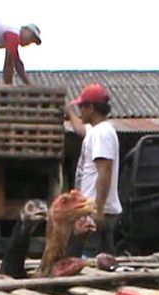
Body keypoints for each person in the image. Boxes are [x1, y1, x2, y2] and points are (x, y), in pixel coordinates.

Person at [63, 83, 122, 257]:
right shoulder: (97, 131)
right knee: (105, 258)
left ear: (91, 108)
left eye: (82, 107)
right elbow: (80, 129)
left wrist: (98, 210)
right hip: (96, 209)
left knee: (88, 259)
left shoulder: (102, 134)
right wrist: (69, 111)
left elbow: (105, 173)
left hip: (95, 210)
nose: (80, 111)